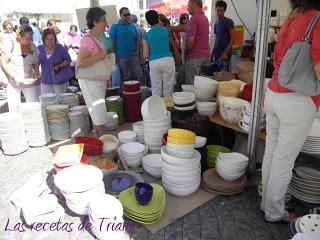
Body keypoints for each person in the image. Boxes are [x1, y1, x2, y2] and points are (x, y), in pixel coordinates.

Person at [261, 0, 320, 223]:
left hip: (274, 94)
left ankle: (266, 204)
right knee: (284, 160)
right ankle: (274, 212)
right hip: (297, 100)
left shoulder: (291, 20)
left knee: (272, 154)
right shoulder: (317, 20)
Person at [77, 7, 109, 137]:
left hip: (97, 80)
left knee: (97, 112)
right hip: (90, 81)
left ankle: (101, 143)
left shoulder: (98, 38)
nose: (106, 23)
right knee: (99, 112)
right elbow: (81, 62)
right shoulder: (88, 39)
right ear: (95, 22)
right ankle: (106, 143)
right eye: (103, 20)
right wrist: (101, 55)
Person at [0, 25, 40, 112]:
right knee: (14, 109)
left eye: (30, 38)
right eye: (26, 39)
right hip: (13, 82)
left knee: (34, 107)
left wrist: (36, 74)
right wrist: (13, 76)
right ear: (19, 37)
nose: (29, 41)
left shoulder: (32, 46)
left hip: (28, 81)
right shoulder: (10, 44)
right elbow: (2, 62)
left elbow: (36, 62)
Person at [109, 7, 144, 85]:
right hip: (121, 58)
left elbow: (137, 40)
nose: (128, 16)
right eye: (125, 15)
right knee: (123, 78)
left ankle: (141, 93)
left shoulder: (133, 26)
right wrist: (114, 55)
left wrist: (137, 50)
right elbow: (112, 42)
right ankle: (123, 95)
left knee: (139, 76)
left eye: (129, 14)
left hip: (133, 56)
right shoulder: (114, 27)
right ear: (121, 15)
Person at [143, 10, 175, 97]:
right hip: (168, 60)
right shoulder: (166, 30)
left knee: (156, 89)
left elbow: (145, 54)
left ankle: (157, 109)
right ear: (158, 18)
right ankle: (168, 109)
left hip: (154, 61)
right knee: (168, 89)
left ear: (147, 21)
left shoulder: (146, 35)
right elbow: (172, 43)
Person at [38, 28, 73, 95]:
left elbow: (68, 60)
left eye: (52, 39)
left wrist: (60, 66)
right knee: (47, 100)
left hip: (59, 79)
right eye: (48, 39)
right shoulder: (40, 48)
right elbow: (36, 62)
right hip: (45, 79)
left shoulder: (60, 48)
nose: (50, 41)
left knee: (60, 100)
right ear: (44, 39)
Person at [185, 0, 210, 85]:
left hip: (196, 56)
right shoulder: (205, 18)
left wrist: (186, 52)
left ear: (193, 4)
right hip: (205, 55)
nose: (188, 8)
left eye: (189, 6)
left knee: (191, 85)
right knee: (202, 85)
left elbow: (191, 41)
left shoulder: (194, 18)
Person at [212, 0, 235, 70]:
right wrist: (213, 52)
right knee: (215, 74)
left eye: (221, 10)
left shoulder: (228, 22)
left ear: (224, 11)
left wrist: (225, 52)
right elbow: (217, 39)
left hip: (225, 54)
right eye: (218, 10)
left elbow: (233, 39)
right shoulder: (216, 23)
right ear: (215, 10)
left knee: (223, 76)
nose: (219, 12)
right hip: (217, 53)